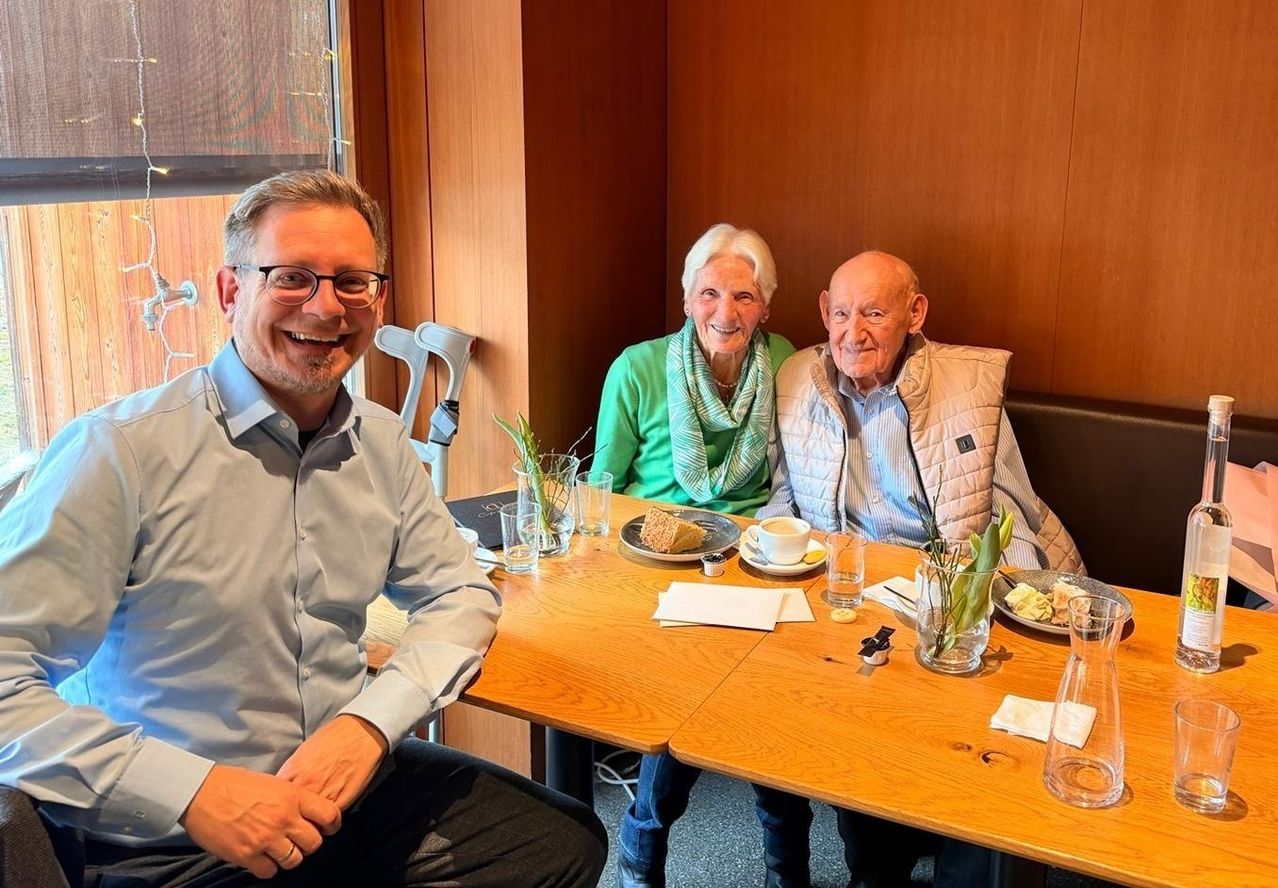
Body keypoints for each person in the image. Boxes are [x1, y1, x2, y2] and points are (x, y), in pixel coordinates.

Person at [0, 169, 606, 888]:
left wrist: (370, 725)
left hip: (339, 794)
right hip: (174, 838)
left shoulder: (381, 444)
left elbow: (461, 596)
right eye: (292, 278)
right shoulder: (120, 452)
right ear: (231, 292)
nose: (326, 308)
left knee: (562, 841)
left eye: (353, 282)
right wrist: (191, 791)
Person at [763, 250, 1082, 887]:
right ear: (824, 312)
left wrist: (1019, 620)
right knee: (848, 717)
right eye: (843, 313)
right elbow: (784, 497)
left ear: (915, 314)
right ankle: (876, 868)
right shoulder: (795, 377)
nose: (854, 333)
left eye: (874, 314)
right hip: (849, 599)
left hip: (954, 595)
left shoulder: (968, 389)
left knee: (983, 757)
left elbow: (1010, 517)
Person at [593, 223, 808, 888]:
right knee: (696, 695)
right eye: (709, 293)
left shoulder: (788, 360)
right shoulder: (635, 368)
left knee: (763, 704)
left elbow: (799, 474)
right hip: (655, 568)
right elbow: (600, 490)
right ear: (686, 300)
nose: (726, 311)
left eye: (744, 296)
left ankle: (665, 848)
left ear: (765, 306)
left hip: (754, 560)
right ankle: (654, 846)